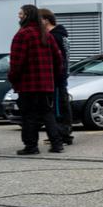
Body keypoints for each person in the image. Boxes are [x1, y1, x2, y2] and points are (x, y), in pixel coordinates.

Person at [9, 4, 64, 154]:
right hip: (46, 84)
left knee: (29, 116)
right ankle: (57, 143)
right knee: (48, 114)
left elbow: (16, 62)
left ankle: (31, 146)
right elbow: (58, 59)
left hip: (28, 85)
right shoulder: (47, 35)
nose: (18, 17)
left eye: (20, 14)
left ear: (26, 16)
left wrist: (13, 78)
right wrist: (55, 76)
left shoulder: (22, 35)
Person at [39, 8, 73, 144]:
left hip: (58, 77)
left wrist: (58, 74)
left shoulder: (55, 36)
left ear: (46, 20)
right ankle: (57, 133)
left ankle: (63, 135)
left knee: (59, 106)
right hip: (60, 75)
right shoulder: (59, 34)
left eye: (39, 19)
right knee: (57, 105)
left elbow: (60, 58)